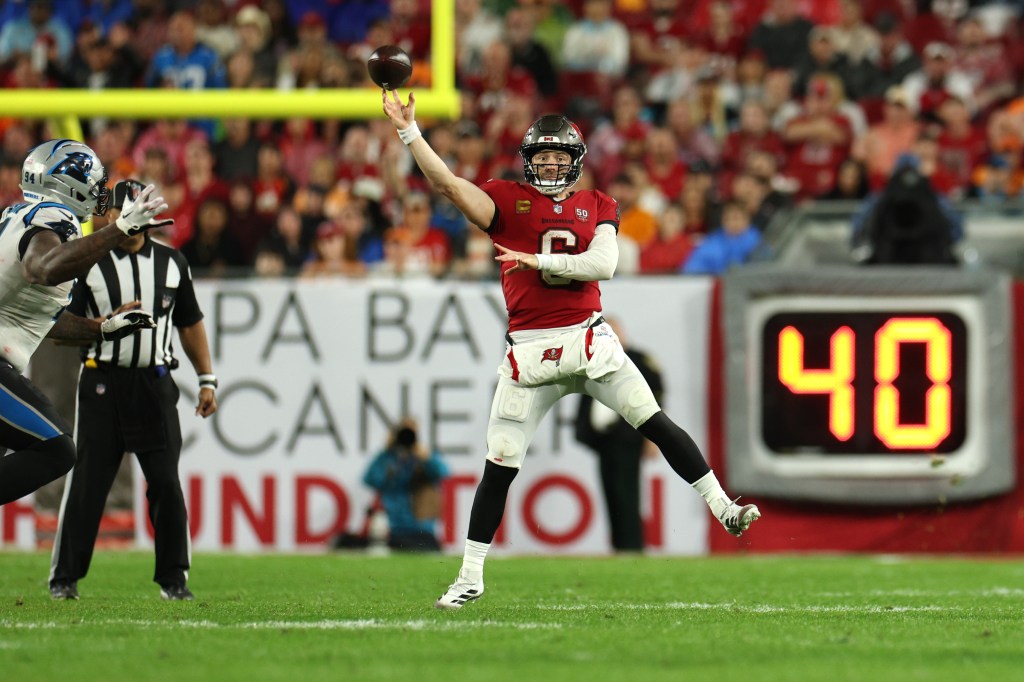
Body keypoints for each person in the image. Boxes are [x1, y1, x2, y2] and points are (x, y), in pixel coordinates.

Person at [381, 90, 761, 611]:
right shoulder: (505, 200)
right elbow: (448, 185)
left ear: (577, 161)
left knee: (653, 420)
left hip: (589, 338)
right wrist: (409, 133)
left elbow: (603, 266)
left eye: (561, 158)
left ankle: (723, 508)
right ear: (528, 162)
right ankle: (470, 575)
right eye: (543, 158)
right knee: (500, 463)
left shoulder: (598, 203)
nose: (552, 166)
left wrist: (536, 262)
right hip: (531, 351)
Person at [48, 179, 217, 602]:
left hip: (154, 382)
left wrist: (206, 377)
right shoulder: (89, 264)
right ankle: (65, 577)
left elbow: (190, 322)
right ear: (110, 215)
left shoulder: (173, 263)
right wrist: (102, 325)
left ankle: (174, 578)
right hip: (102, 380)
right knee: (87, 484)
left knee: (165, 483)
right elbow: (59, 328)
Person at [0, 139, 171, 508]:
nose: (99, 191)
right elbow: (41, 268)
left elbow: (40, 316)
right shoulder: (53, 217)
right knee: (56, 449)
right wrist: (121, 229)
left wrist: (100, 329)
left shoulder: (18, 216)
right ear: (67, 182)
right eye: (92, 180)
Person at [574, 318, 661, 552]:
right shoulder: (591, 361)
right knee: (610, 492)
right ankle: (619, 545)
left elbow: (655, 399)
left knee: (627, 494)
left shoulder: (639, 361)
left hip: (628, 438)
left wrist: (652, 437)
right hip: (603, 441)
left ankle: (632, 546)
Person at [362, 418, 450, 552]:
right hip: (394, 528)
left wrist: (425, 457)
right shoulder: (387, 457)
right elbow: (370, 479)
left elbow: (443, 472)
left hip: (423, 528)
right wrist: (388, 452)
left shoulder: (424, 456)